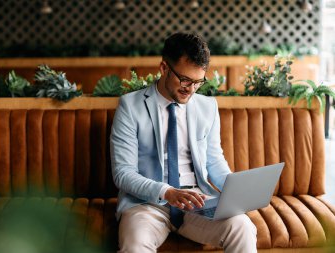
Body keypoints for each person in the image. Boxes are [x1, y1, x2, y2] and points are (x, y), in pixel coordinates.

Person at [110, 32, 257, 253]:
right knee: (135, 245)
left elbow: (214, 162)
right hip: (147, 204)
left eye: (198, 82)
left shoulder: (207, 107)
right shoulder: (130, 107)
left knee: (242, 227)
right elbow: (123, 172)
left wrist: (235, 192)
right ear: (164, 68)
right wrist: (167, 192)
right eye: (185, 80)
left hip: (197, 202)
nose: (191, 89)